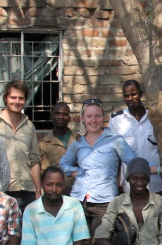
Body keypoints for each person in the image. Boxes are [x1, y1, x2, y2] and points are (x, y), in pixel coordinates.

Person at [59, 99, 140, 236]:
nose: (93, 120)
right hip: (78, 200)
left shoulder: (115, 139)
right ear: (83, 118)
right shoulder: (78, 142)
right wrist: (75, 172)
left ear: (103, 117)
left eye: (97, 116)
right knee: (79, 242)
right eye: (89, 116)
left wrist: (160, 170)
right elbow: (63, 163)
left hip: (104, 202)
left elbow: (134, 162)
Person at [108, 79, 162, 194]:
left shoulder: (155, 117)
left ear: (140, 94)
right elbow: (114, 154)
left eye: (133, 94)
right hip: (129, 184)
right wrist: (116, 180)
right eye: (126, 96)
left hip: (156, 182)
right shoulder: (116, 120)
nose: (130, 99)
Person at [0, 79, 42, 212]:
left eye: (21, 98)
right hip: (2, 191)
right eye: (13, 97)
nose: (17, 101)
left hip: (27, 191)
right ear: (6, 98)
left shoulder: (29, 126)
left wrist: (38, 190)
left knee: (27, 232)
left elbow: (35, 160)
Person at [38, 102, 75, 194]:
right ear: (51, 117)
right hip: (55, 194)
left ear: (69, 118)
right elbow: (43, 173)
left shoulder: (80, 140)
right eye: (57, 113)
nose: (61, 117)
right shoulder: (44, 144)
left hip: (78, 192)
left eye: (64, 114)